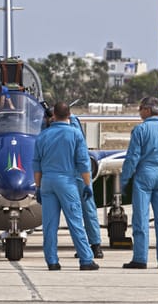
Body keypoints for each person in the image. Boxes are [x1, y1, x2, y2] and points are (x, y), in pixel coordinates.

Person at [33, 102, 99, 271]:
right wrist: (87, 184)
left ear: (53, 115)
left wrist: (38, 187)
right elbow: (83, 163)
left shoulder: (42, 136)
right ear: (69, 115)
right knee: (75, 221)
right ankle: (85, 259)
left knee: (49, 224)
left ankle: (52, 261)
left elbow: (36, 164)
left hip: (47, 182)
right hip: (67, 182)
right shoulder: (75, 134)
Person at [120, 96, 158, 269]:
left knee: (141, 218)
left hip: (145, 176)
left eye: (140, 108)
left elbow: (132, 158)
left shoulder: (140, 130)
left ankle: (140, 258)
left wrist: (124, 180)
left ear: (147, 110)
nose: (139, 112)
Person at [69, 114, 103, 259]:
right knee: (87, 209)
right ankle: (94, 246)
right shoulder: (73, 124)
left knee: (79, 210)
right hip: (78, 172)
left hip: (73, 172)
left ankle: (91, 246)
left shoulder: (70, 123)